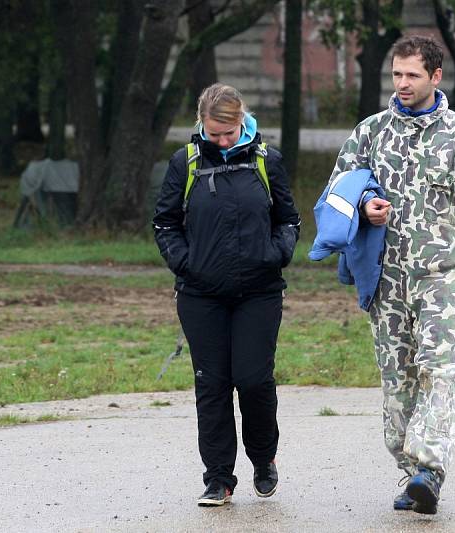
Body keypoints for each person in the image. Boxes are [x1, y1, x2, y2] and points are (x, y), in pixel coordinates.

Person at [328, 35, 455, 514]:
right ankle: (410, 469)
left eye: (413, 75)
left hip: (442, 278)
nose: (403, 83)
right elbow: (336, 194)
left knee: (441, 370)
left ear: (436, 76)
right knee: (399, 382)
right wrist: (363, 206)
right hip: (387, 280)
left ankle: (429, 470)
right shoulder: (370, 132)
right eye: (397, 74)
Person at [153, 83, 300, 507]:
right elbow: (164, 223)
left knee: (253, 380)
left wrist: (276, 254)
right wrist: (186, 263)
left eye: (229, 133)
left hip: (260, 291)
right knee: (212, 385)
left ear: (242, 121)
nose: (221, 141)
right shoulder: (185, 162)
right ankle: (218, 478)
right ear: (201, 123)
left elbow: (288, 220)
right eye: (213, 133)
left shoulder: (266, 160)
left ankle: (263, 458)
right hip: (201, 294)